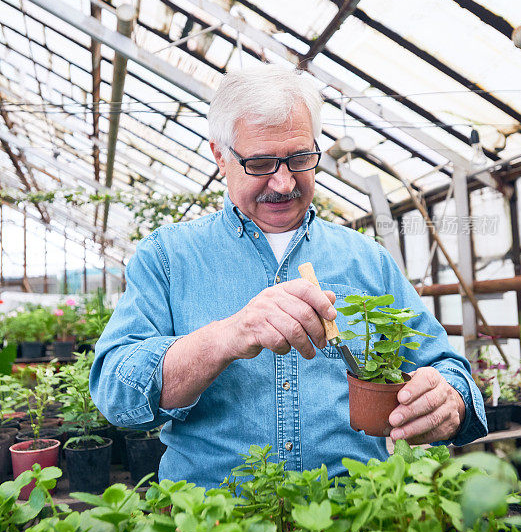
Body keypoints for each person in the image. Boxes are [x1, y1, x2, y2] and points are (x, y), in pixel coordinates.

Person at [90, 65, 487, 488]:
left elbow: (447, 367)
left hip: (353, 521)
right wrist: (226, 336)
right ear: (220, 156)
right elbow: (118, 390)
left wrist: (451, 399)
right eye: (260, 163)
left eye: (299, 159)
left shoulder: (366, 259)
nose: (282, 183)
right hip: (212, 526)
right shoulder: (169, 257)